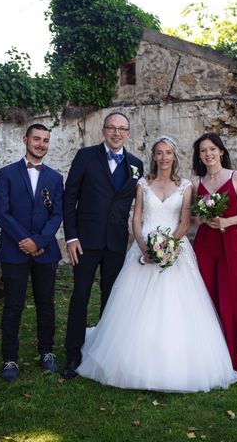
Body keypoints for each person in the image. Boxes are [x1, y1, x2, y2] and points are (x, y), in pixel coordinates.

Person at [76, 136, 237, 392]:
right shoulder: (143, 183)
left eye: (168, 153)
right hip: (144, 250)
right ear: (154, 156)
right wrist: (146, 247)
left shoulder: (185, 186)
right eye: (159, 153)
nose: (164, 157)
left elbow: (185, 222)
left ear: (175, 156)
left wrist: (167, 247)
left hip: (175, 250)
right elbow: (137, 219)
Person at [62, 112, 144, 379]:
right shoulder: (85, 157)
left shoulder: (136, 165)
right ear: (104, 130)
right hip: (85, 242)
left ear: (128, 133)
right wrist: (71, 237)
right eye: (112, 128)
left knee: (111, 299)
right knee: (80, 297)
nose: (116, 133)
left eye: (122, 129)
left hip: (116, 243)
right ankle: (73, 354)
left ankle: (106, 353)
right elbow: (69, 198)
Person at [0, 123, 64, 382]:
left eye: (45, 140)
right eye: (37, 139)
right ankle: (10, 358)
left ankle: (47, 352)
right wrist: (25, 240)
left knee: (46, 305)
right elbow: (2, 212)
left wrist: (40, 241)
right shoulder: (6, 174)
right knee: (13, 306)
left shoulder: (56, 178)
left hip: (45, 251)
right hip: (15, 250)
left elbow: (57, 213)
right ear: (25, 140)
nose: (41, 144)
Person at [192, 133, 237, 375]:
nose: (208, 154)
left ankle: (230, 354)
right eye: (203, 151)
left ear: (221, 151)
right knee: (204, 298)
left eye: (212, 149)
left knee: (230, 297)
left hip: (228, 243)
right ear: (199, 156)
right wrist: (205, 217)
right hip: (205, 244)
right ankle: (205, 353)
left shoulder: (236, 177)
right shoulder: (197, 183)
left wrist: (227, 222)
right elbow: (194, 218)